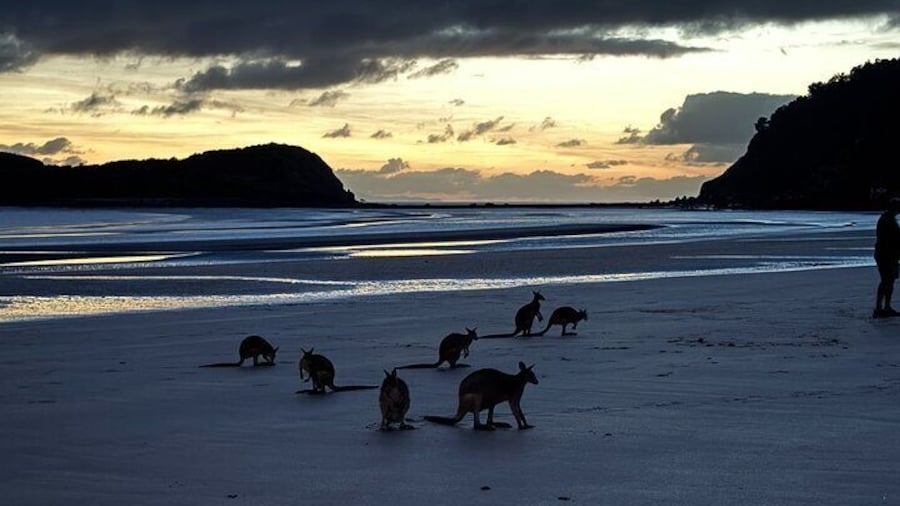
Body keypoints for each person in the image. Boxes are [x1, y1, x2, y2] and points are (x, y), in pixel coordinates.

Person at [874, 198, 900, 318]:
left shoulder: (887, 219)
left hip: (887, 254)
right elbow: (893, 238)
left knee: (888, 281)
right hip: (886, 255)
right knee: (887, 281)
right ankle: (881, 307)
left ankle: (883, 307)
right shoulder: (887, 220)